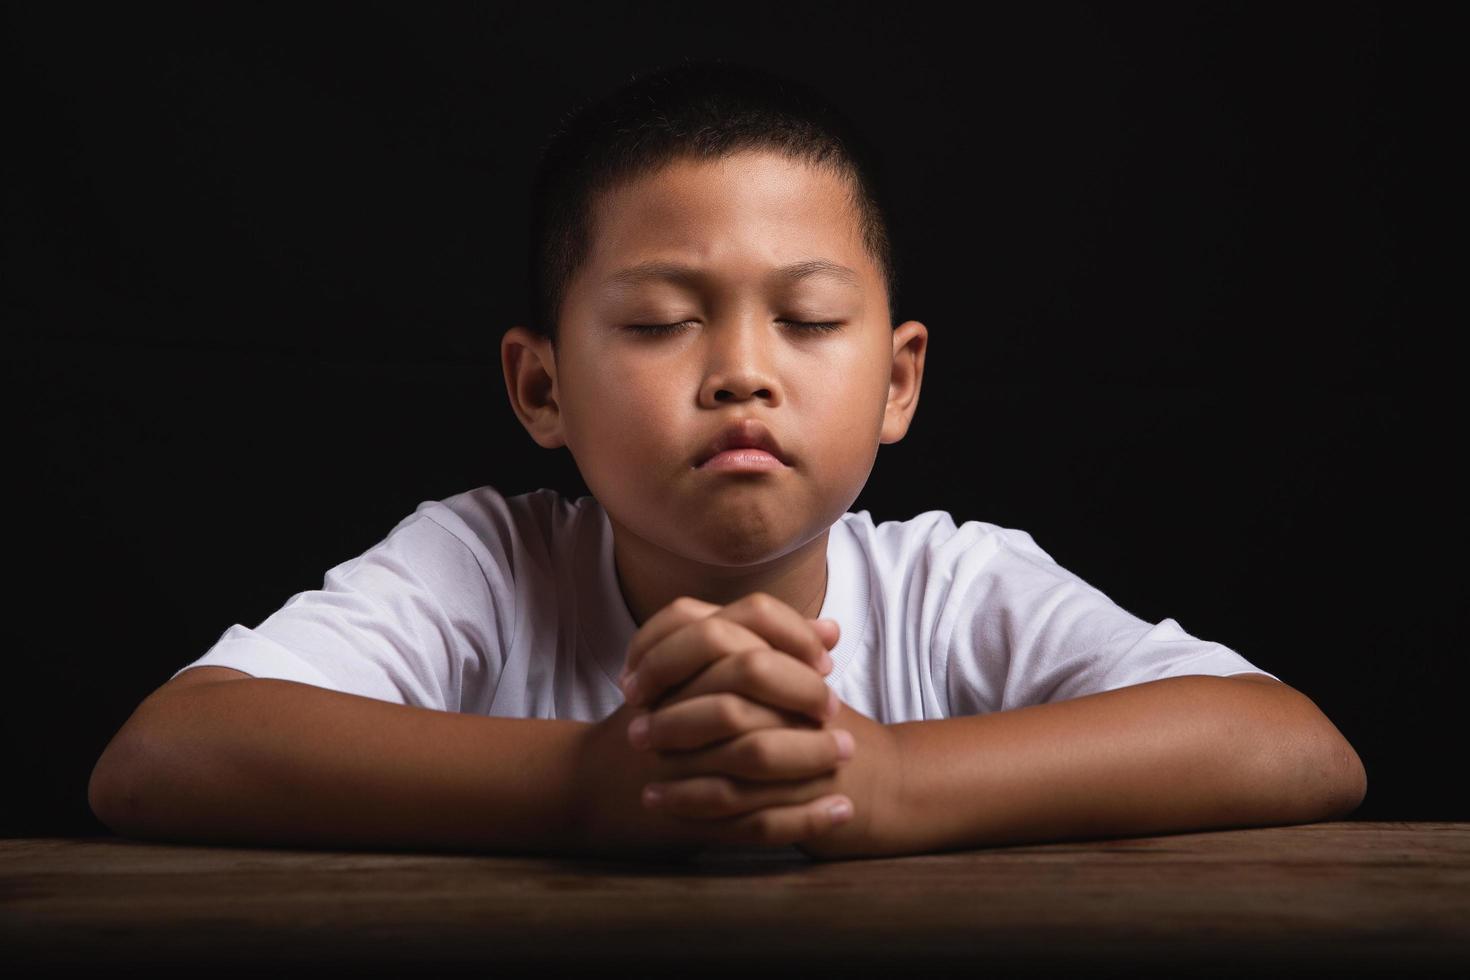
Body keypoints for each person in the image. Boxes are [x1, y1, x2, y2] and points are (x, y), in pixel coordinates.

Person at [88, 58, 1366, 862]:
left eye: (807, 320)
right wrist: (588, 784)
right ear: (540, 386)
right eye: (657, 322)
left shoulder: (949, 586)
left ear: (898, 382)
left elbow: (1295, 747)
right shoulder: (484, 566)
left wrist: (900, 780)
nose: (742, 370)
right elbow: (165, 754)